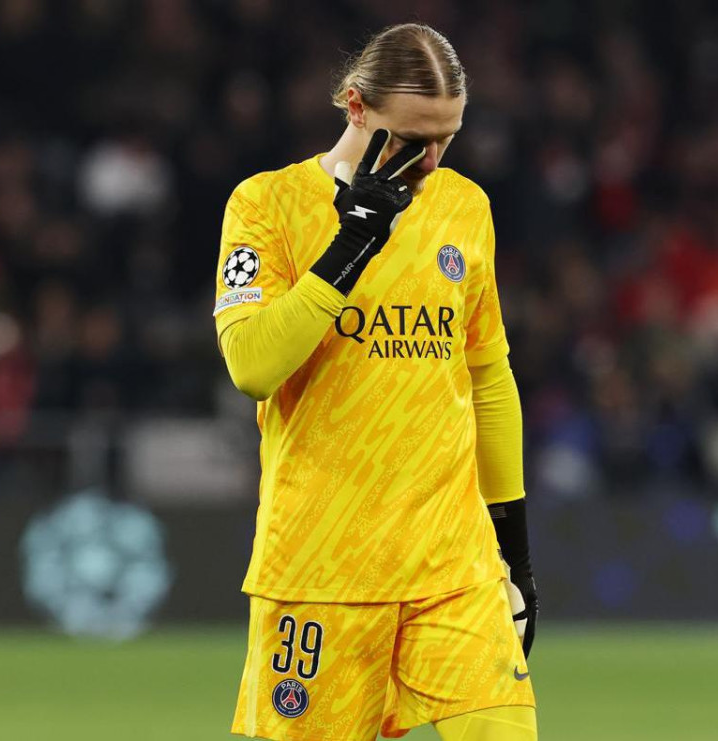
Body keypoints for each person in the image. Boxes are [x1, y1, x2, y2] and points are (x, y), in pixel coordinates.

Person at [213, 23, 538, 741]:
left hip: (454, 565)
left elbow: (489, 381)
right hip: (321, 567)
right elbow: (253, 366)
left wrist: (514, 557)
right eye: (413, 138)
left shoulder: (464, 207)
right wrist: (350, 244)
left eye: (447, 137)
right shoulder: (267, 205)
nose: (431, 160)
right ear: (356, 107)